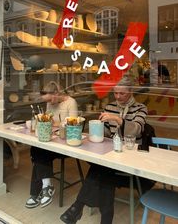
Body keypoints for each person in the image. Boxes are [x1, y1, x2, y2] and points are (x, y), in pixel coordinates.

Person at [60, 76, 147, 224]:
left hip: (130, 157)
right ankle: (104, 219)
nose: (118, 97)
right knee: (104, 170)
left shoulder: (140, 108)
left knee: (101, 171)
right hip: (112, 155)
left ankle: (78, 207)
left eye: (122, 93)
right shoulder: (110, 107)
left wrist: (117, 119)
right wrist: (95, 132)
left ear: (131, 91)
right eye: (115, 93)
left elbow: (136, 130)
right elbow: (106, 135)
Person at [25, 81, 78, 209]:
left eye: (50, 99)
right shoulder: (50, 102)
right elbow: (49, 121)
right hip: (53, 140)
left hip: (66, 143)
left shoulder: (71, 103)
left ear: (56, 93)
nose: (49, 103)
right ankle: (46, 186)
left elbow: (73, 125)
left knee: (39, 152)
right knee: (38, 150)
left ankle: (36, 192)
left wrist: (53, 124)